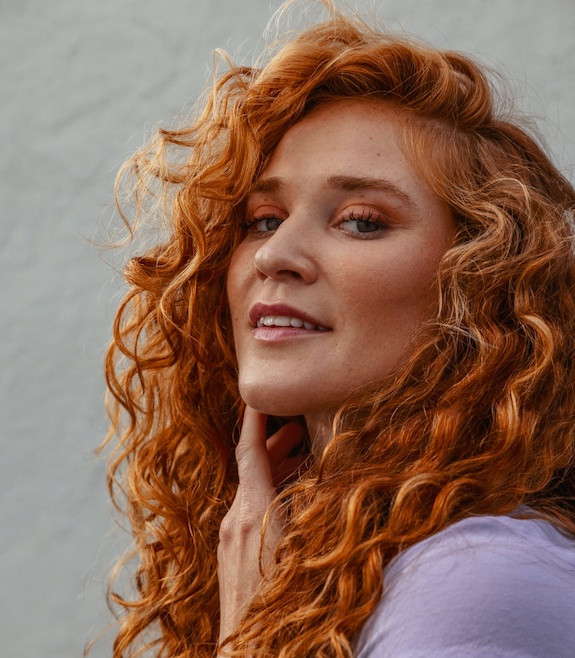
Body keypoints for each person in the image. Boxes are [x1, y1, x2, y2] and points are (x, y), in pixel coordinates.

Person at [102, 3, 575, 657]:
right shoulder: (339, 561)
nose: (275, 254)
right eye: (264, 218)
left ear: (479, 281)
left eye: (359, 220)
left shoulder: (474, 578)